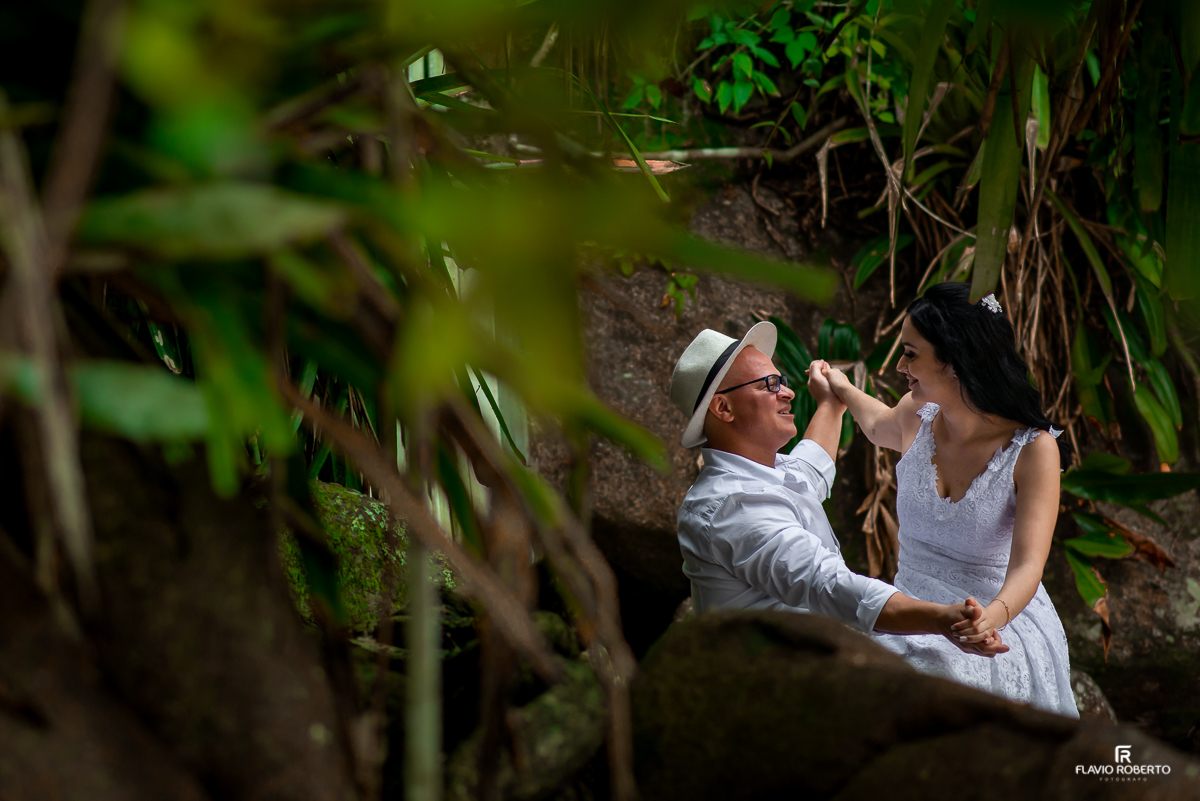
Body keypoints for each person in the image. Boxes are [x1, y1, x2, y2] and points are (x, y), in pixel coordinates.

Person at [668, 321, 1007, 655]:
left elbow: (809, 469)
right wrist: (940, 617)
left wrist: (832, 402)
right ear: (723, 408)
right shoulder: (732, 505)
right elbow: (825, 583)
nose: (787, 392)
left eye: (782, 381)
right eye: (768, 384)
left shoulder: (762, 471)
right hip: (776, 683)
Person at [821, 282, 1078, 717]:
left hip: (997, 615)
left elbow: (1028, 567)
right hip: (913, 606)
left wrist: (987, 622)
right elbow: (875, 421)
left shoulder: (1033, 450)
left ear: (955, 360)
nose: (900, 365)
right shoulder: (914, 417)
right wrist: (841, 388)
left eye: (911, 353)